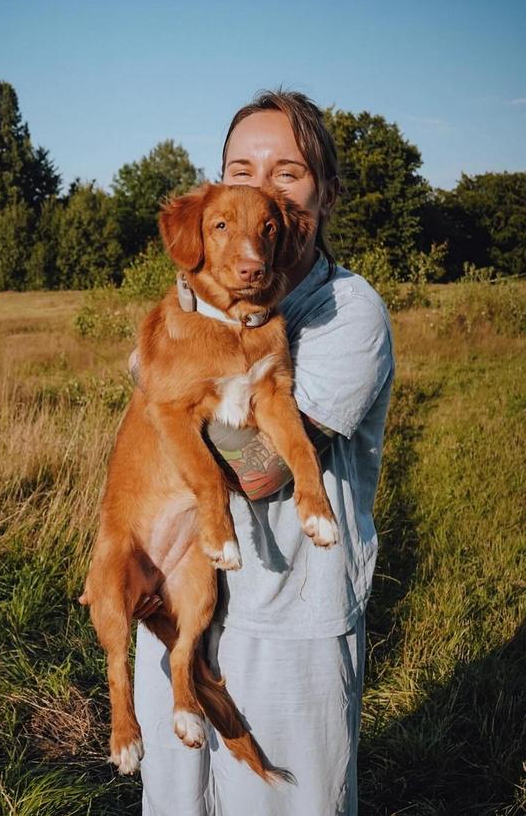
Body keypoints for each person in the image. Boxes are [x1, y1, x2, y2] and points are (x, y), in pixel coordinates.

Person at [132, 90, 395, 816]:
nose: (260, 188)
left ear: (326, 194)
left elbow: (264, 469)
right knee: (176, 803)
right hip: (184, 596)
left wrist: (169, 386)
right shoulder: (190, 304)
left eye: (287, 172)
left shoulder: (348, 311)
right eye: (240, 169)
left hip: (288, 618)